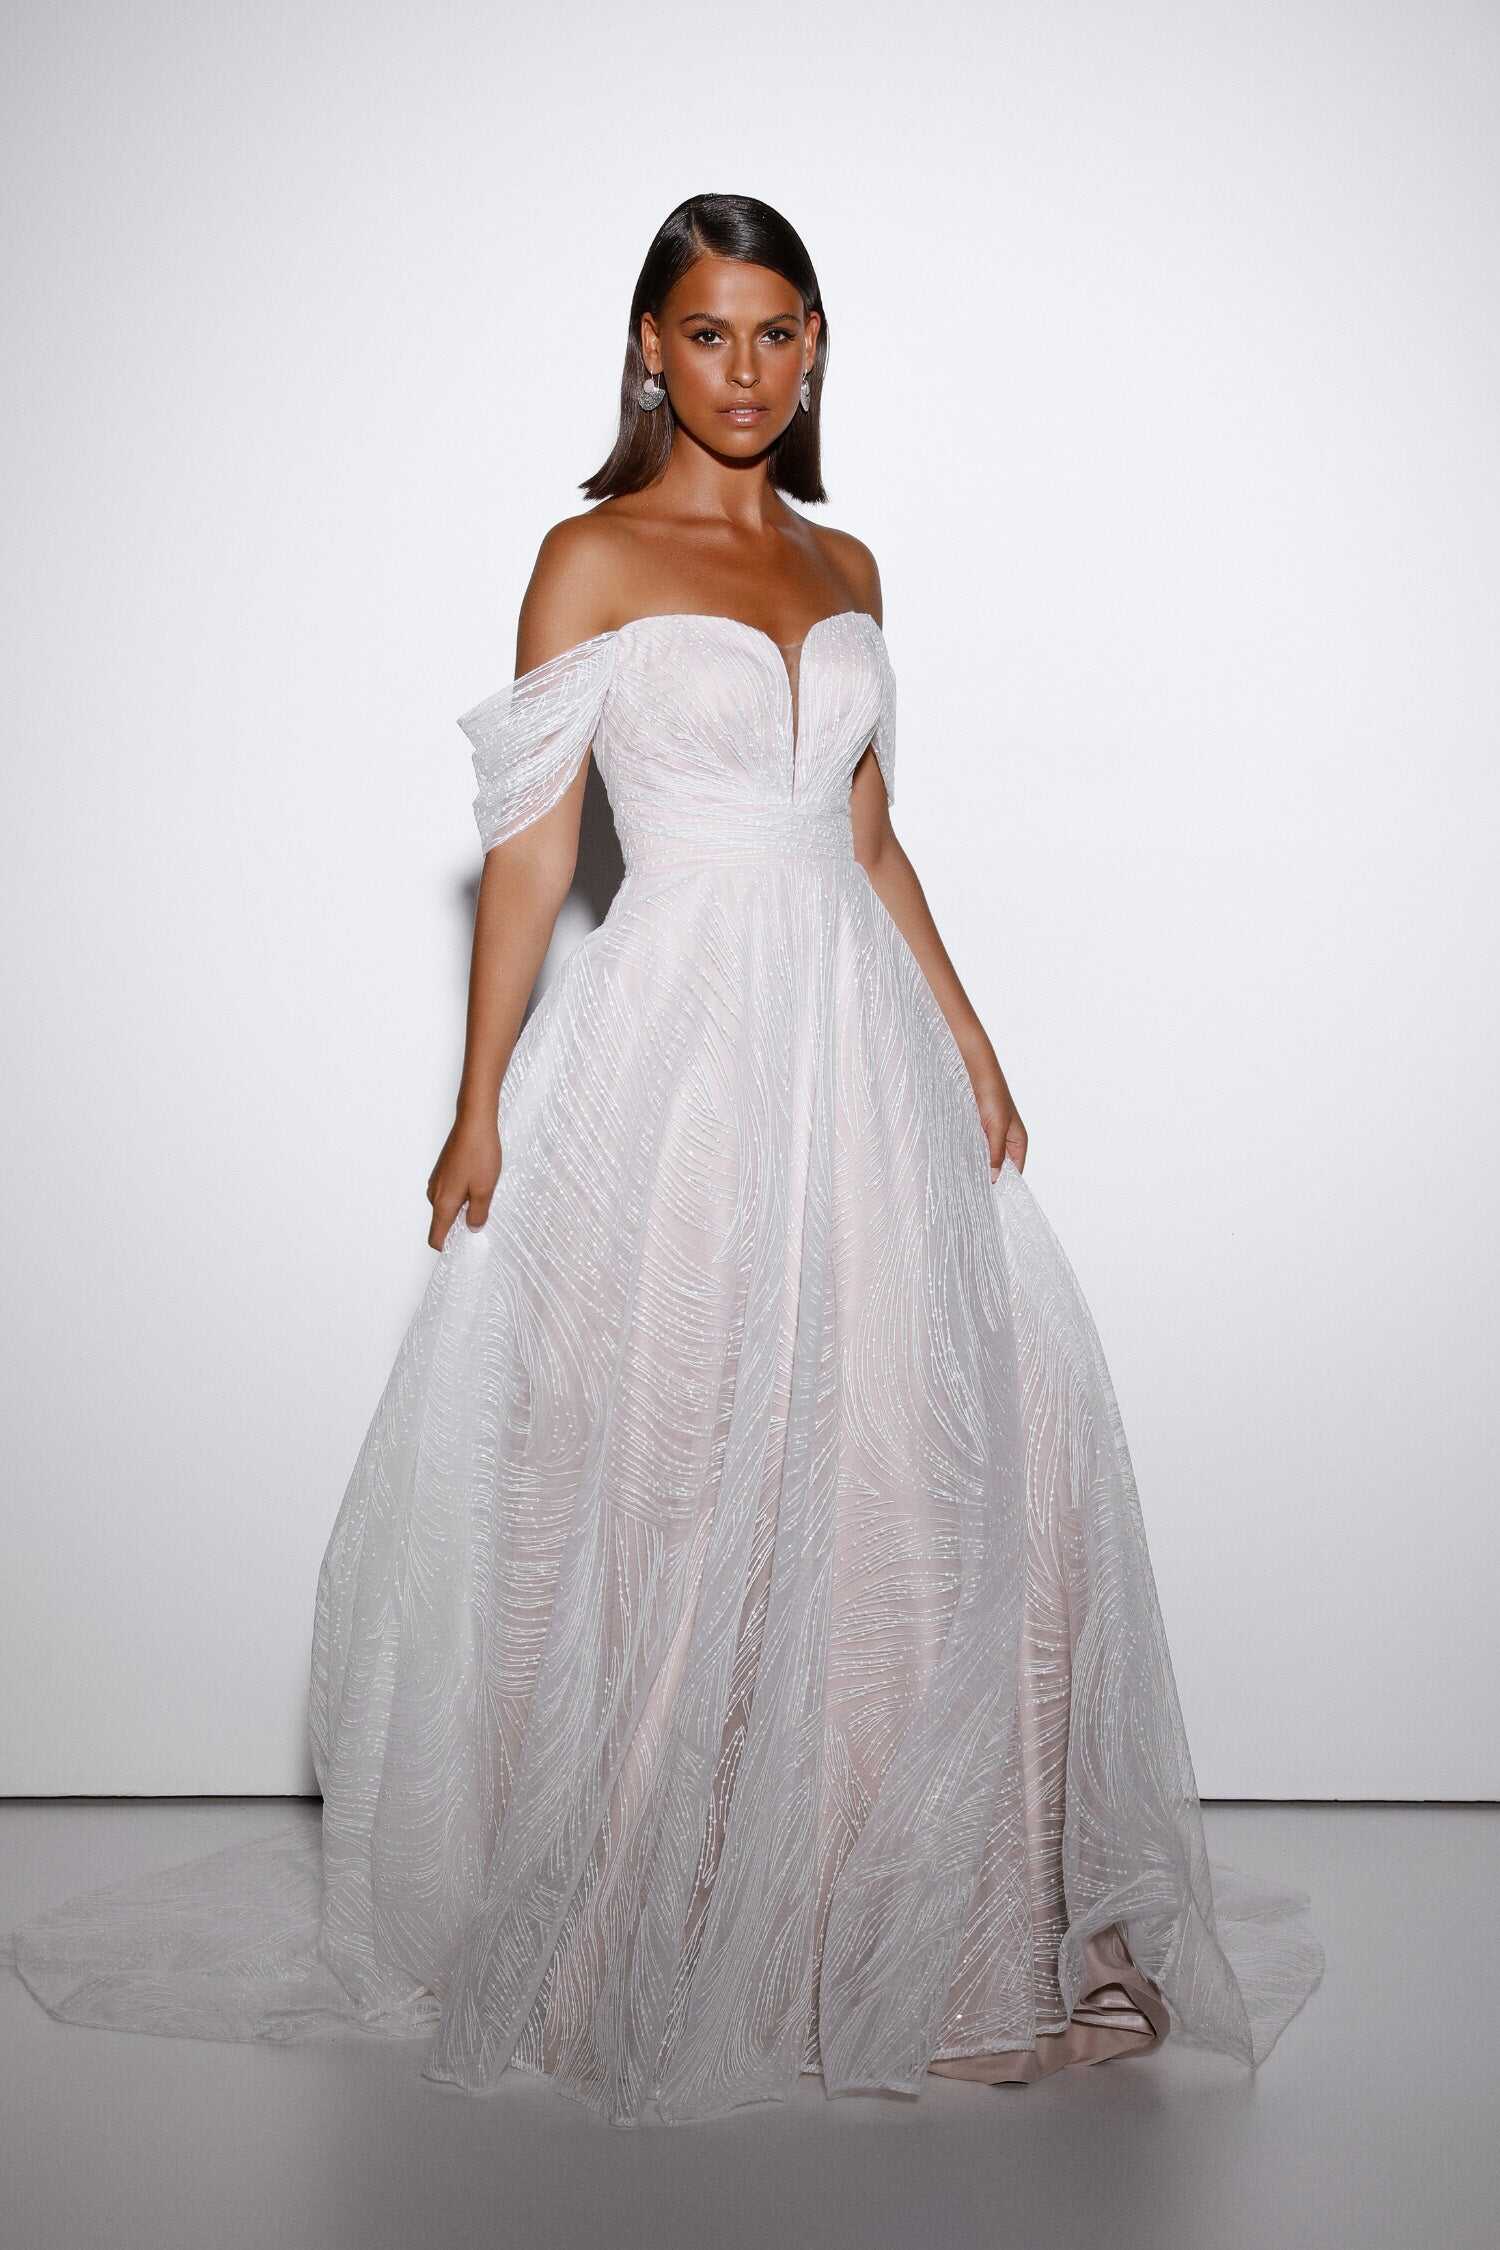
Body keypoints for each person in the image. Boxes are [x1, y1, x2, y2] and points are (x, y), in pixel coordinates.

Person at [6, 192, 1324, 2129]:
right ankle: (662, 1906)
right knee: (678, 1450)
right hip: (685, 1059)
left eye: (780, 332)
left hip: (857, 1047)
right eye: (709, 333)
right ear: (648, 346)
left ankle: (904, 1913)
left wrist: (967, 1035)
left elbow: (864, 838)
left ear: (817, 346)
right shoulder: (590, 560)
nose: (746, 370)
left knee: (909, 1451)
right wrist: (476, 1099)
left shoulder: (849, 560)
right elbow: (535, 850)